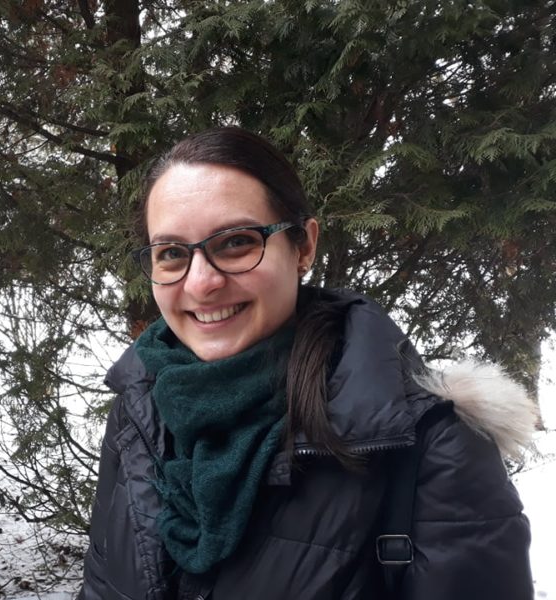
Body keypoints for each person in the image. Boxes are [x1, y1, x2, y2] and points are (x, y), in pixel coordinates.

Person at [77, 127, 536, 600]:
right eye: (172, 253)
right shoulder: (141, 406)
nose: (200, 284)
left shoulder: (431, 444)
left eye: (236, 242)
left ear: (304, 247)